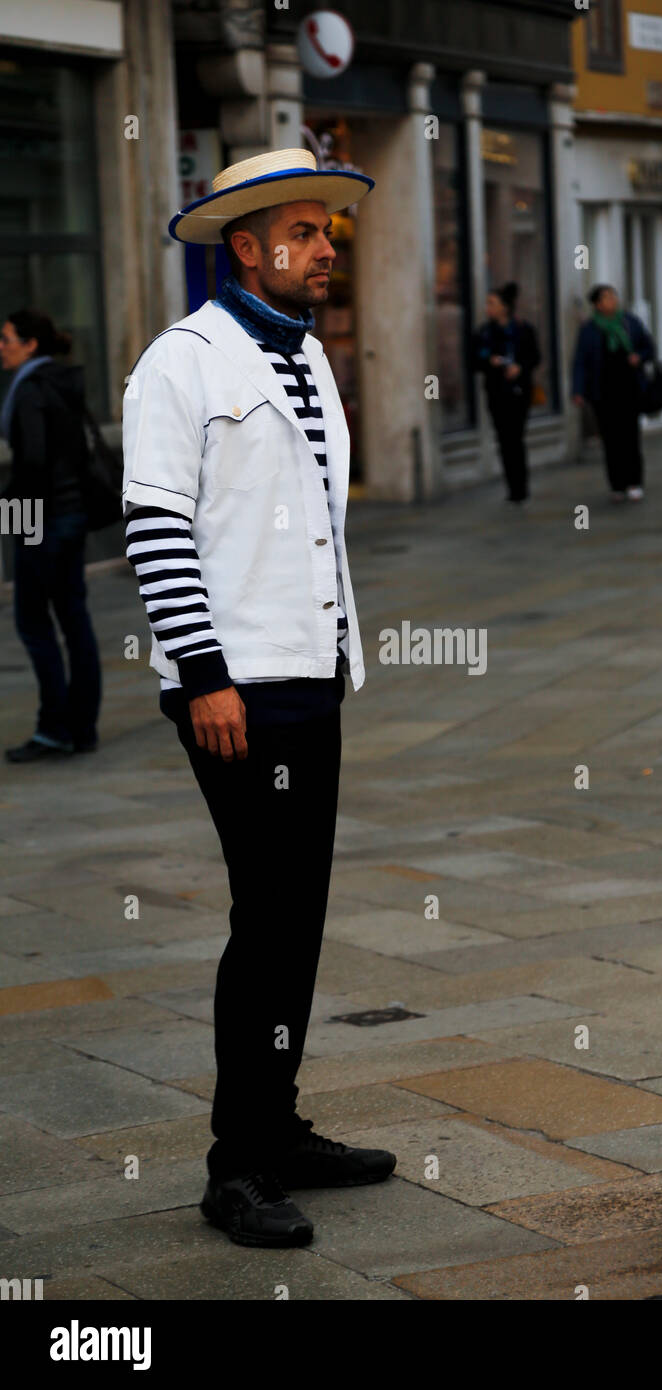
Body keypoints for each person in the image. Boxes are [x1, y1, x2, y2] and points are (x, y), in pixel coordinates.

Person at [122, 148, 396, 1249]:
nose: (326, 247)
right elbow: (156, 529)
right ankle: (235, 1167)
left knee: (298, 921)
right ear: (246, 246)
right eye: (305, 232)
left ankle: (276, 1127)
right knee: (267, 921)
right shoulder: (179, 363)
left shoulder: (308, 358)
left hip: (310, 677)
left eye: (329, 231)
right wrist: (204, 678)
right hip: (235, 692)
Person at [0, 310, 101, 762]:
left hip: (40, 519)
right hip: (71, 514)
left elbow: (33, 465)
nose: (1, 348)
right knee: (74, 618)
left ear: (30, 345)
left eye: (6, 339)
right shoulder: (63, 383)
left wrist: (13, 521)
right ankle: (82, 727)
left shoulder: (29, 390)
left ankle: (54, 729)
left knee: (33, 622)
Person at [571, 284, 655, 501]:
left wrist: (639, 356)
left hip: (629, 389)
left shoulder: (629, 322)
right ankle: (617, 484)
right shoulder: (589, 329)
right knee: (610, 440)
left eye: (613, 296)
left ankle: (634, 482)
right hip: (603, 392)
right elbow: (580, 361)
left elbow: (649, 347)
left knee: (630, 437)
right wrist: (578, 390)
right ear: (597, 304)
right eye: (606, 298)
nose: (612, 301)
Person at [472, 282, 541, 503]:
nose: (487, 308)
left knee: (516, 438)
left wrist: (520, 367)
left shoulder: (523, 330)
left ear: (504, 307)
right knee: (504, 439)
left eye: (492, 303)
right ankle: (513, 488)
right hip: (497, 392)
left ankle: (520, 487)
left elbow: (535, 357)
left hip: (520, 391)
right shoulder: (484, 332)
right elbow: (473, 361)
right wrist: (489, 361)